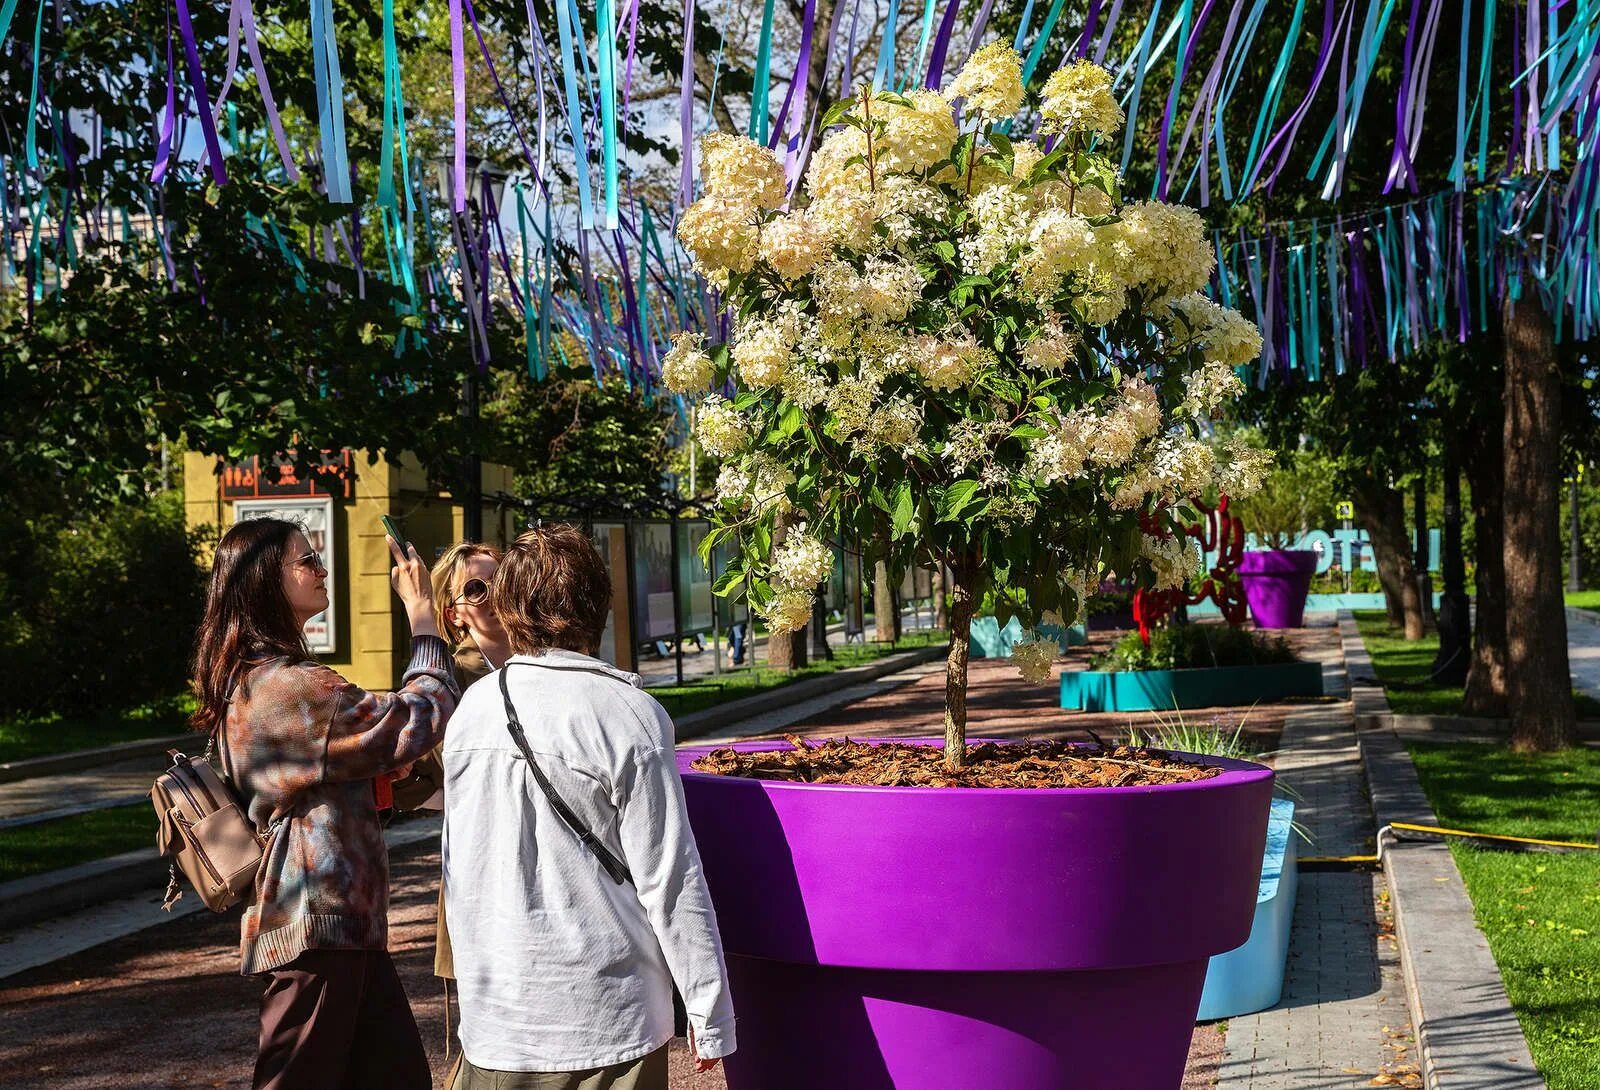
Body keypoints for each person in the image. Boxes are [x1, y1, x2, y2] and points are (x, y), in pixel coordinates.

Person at [441, 524, 736, 1089]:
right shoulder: (629, 714)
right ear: (598, 605)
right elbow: (669, 878)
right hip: (606, 1017)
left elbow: (462, 869)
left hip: (497, 1021)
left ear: (511, 606)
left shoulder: (473, 711)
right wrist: (709, 1011)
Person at [191, 517, 458, 1090]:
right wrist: (422, 617)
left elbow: (355, 761)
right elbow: (419, 715)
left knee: (399, 1079)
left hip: (344, 923)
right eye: (306, 561)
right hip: (316, 921)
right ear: (265, 580)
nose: (321, 568)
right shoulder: (288, 688)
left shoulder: (266, 681)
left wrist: (378, 770)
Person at [391, 542, 511, 992]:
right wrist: (463, 801)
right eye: (479, 589)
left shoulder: (545, 663)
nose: (497, 596)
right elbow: (403, 778)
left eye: (504, 582)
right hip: (483, 867)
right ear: (453, 612)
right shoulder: (454, 676)